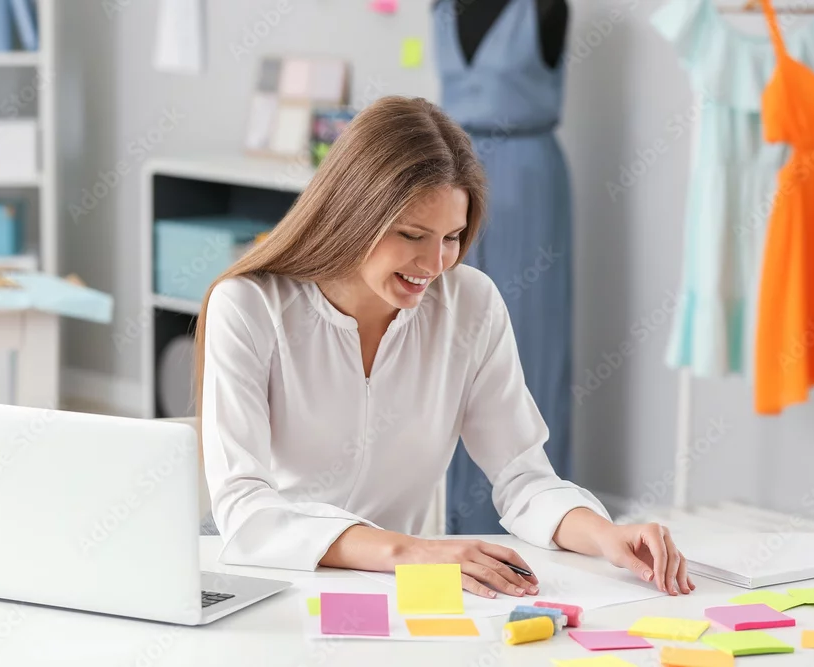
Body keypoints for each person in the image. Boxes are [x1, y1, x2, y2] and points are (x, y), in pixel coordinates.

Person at [194, 96, 694, 599]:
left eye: (452, 237)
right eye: (413, 235)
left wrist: (607, 536)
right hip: (280, 586)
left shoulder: (470, 305)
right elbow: (244, 507)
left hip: (403, 589)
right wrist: (409, 551)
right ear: (353, 213)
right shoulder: (250, 306)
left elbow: (523, 477)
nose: (435, 264)